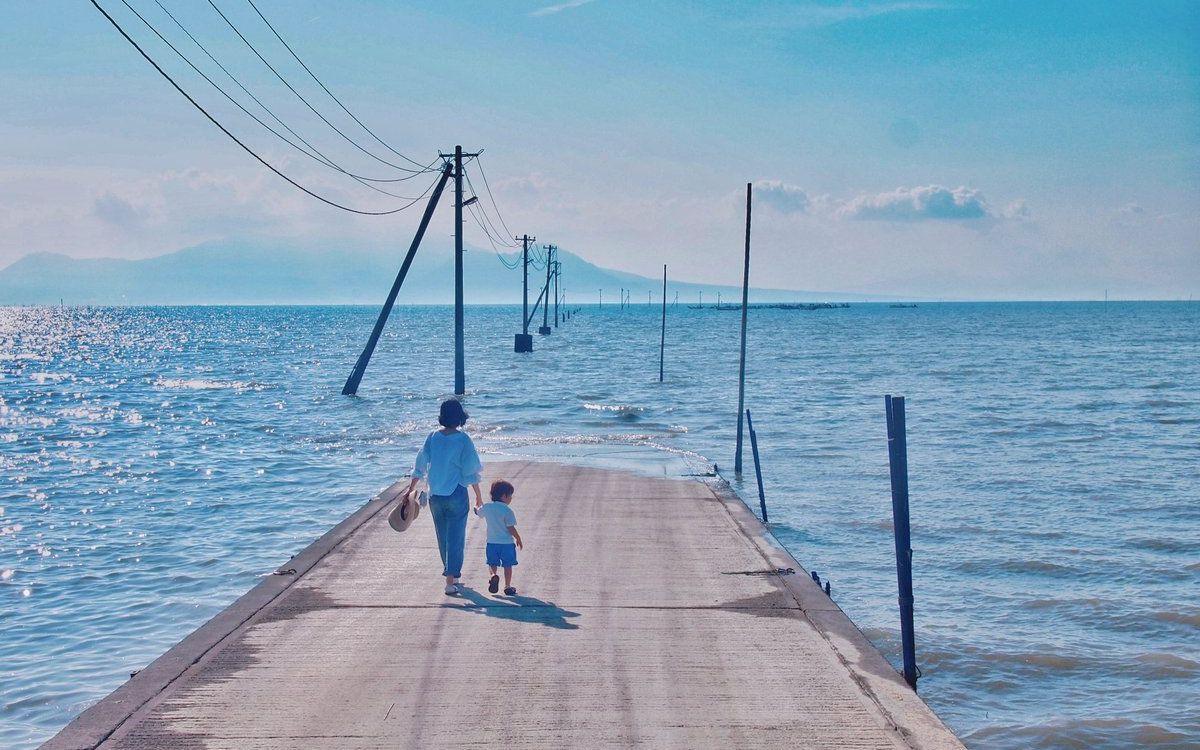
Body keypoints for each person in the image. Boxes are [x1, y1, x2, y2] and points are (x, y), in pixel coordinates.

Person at [409, 399, 483, 595]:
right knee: (456, 537)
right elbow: (471, 471)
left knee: (442, 536)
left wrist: (410, 489)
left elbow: (420, 465)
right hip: (456, 492)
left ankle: (453, 575)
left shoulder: (432, 437)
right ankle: (450, 581)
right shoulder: (464, 439)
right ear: (460, 417)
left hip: (436, 496)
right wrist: (478, 496)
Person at [477, 479, 523, 596]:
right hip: (507, 543)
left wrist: (476, 506)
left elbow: (478, 512)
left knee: (492, 563)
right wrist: (518, 538)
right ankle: (507, 586)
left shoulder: (487, 507)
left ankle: (493, 575)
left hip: (492, 543)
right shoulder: (507, 511)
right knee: (508, 565)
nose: (511, 498)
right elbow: (510, 527)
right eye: (510, 495)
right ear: (504, 496)